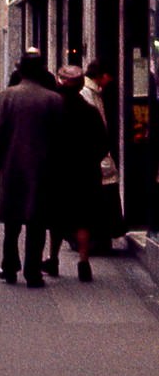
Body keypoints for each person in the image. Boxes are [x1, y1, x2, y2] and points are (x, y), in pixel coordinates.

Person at [0, 49, 64, 286]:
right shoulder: (53, 99)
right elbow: (60, 138)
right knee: (37, 221)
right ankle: (32, 270)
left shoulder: (6, 96)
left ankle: (9, 265)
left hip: (12, 166)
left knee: (12, 222)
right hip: (43, 168)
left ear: (19, 70)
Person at [46, 65, 108, 281]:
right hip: (85, 173)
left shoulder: (53, 109)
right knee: (83, 219)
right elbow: (103, 142)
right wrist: (91, 161)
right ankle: (83, 263)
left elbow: (45, 141)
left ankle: (53, 259)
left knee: (56, 218)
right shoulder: (89, 111)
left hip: (58, 172)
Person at [81, 59, 124, 251]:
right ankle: (96, 239)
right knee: (101, 195)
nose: (110, 80)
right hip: (95, 155)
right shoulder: (87, 93)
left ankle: (101, 236)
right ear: (100, 75)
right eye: (108, 76)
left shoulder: (94, 92)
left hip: (98, 153)